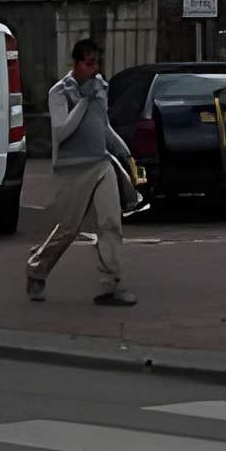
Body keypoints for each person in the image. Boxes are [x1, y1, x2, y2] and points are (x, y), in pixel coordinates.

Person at [26, 35, 135, 307]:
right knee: (68, 229)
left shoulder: (100, 87)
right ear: (75, 64)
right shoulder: (60, 92)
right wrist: (84, 101)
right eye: (89, 63)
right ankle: (37, 269)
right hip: (74, 168)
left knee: (111, 223)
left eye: (97, 63)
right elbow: (62, 132)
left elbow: (103, 126)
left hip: (101, 162)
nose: (94, 69)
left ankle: (111, 285)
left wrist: (123, 150)